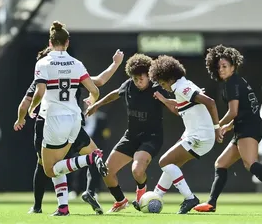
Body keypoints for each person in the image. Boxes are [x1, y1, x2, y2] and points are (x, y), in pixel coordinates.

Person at [14, 47, 123, 214]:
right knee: (93, 154)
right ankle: (89, 192)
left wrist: (20, 118)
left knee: (47, 166)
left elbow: (26, 102)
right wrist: (115, 64)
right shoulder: (72, 72)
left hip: (48, 123)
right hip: (73, 122)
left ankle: (41, 206)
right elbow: (99, 82)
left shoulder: (41, 78)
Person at [194, 45, 262, 213]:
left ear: (233, 67)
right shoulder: (236, 81)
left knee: (250, 163)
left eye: (225, 66)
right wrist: (227, 127)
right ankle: (211, 203)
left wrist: (217, 126)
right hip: (245, 126)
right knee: (221, 164)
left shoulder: (232, 84)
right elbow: (241, 112)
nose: (221, 70)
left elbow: (233, 112)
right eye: (219, 67)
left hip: (248, 127)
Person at [26, 21, 104, 216]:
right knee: (59, 164)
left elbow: (40, 90)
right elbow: (94, 89)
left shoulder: (43, 62)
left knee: (50, 169)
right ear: (67, 42)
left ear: (50, 43)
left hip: (54, 119)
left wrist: (33, 107)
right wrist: (92, 99)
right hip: (75, 119)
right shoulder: (77, 64)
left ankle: (90, 158)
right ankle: (63, 207)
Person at [86, 54, 174, 213]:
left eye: (141, 78)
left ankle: (141, 194)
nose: (138, 82)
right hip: (131, 136)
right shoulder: (128, 86)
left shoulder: (157, 88)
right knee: (106, 171)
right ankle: (120, 201)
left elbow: (175, 107)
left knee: (137, 170)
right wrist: (96, 105)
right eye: (135, 79)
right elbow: (114, 94)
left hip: (151, 137)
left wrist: (165, 100)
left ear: (149, 75)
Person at [147, 55, 222, 214]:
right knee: (172, 165)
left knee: (164, 162)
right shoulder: (180, 87)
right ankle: (156, 196)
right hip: (196, 135)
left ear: (168, 79)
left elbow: (210, 102)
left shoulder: (182, 87)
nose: (162, 87)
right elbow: (178, 108)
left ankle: (190, 198)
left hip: (199, 136)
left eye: (162, 83)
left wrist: (217, 128)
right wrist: (163, 99)